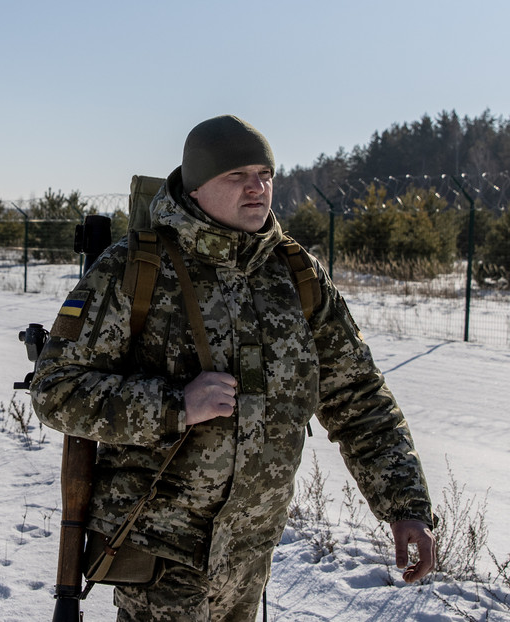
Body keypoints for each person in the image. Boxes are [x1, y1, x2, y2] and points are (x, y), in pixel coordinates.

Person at [30, 115, 435, 621]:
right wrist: (175, 405)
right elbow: (56, 389)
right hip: (159, 547)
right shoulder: (136, 268)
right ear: (196, 188)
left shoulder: (297, 275)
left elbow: (359, 398)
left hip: (250, 553)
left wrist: (405, 506)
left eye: (265, 175)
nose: (257, 188)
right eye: (237, 176)